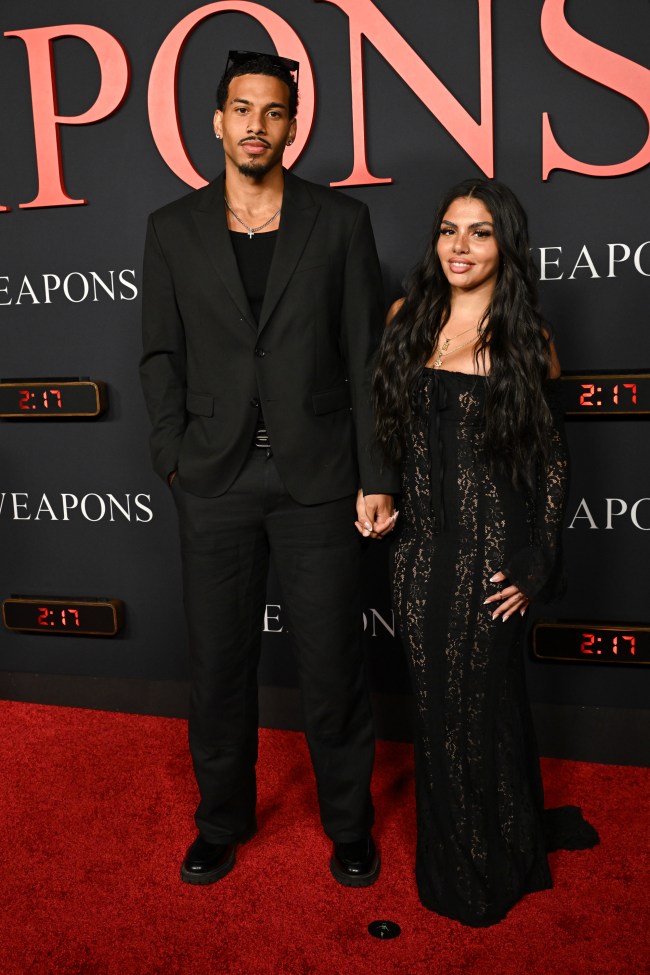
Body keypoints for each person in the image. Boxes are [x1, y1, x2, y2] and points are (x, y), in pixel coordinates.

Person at [140, 51, 397, 887]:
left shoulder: (340, 222)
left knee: (333, 668)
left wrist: (376, 472)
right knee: (217, 668)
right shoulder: (171, 228)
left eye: (274, 111)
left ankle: (349, 826)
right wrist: (174, 457)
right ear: (217, 122)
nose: (256, 123)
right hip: (212, 481)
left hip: (317, 479)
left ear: (293, 125)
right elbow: (159, 356)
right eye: (242, 109)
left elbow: (365, 360)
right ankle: (221, 821)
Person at [370, 179, 597, 926]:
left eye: (479, 232)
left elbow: (551, 463)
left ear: (506, 246)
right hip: (418, 555)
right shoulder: (407, 318)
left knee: (482, 707)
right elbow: (388, 431)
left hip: (491, 557)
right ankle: (478, 840)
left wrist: (537, 562)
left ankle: (484, 865)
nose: (459, 246)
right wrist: (377, 493)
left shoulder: (527, 339)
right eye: (448, 230)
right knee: (437, 713)